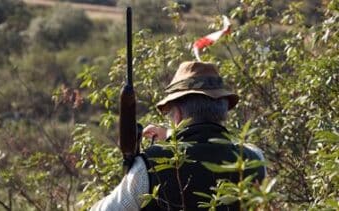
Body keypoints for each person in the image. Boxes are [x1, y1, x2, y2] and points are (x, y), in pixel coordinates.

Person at [90, 61, 266, 211]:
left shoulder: (150, 166)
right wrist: (170, 135)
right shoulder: (254, 160)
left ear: (178, 114)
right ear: (223, 112)